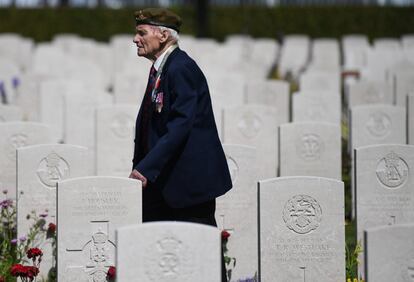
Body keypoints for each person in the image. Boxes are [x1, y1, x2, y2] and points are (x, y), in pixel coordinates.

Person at [130, 5, 232, 239]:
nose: (135, 39)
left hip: (188, 184)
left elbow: (180, 125)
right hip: (163, 181)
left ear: (163, 35)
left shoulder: (181, 68)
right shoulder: (162, 68)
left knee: (204, 258)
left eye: (142, 33)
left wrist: (144, 169)